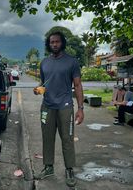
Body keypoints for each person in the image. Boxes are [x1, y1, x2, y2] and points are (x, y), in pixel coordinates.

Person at [33, 31, 84, 188]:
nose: (54, 44)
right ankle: (48, 167)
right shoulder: (44, 63)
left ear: (62, 43)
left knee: (67, 140)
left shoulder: (72, 62)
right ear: (49, 45)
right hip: (47, 107)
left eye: (57, 41)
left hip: (65, 107)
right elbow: (44, 84)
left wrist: (81, 108)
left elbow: (77, 85)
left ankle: (69, 170)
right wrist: (39, 90)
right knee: (47, 138)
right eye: (51, 42)